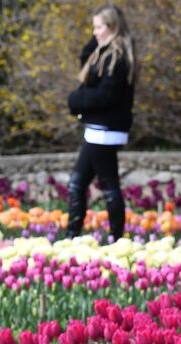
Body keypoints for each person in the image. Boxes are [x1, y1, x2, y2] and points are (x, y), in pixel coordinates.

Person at [66, 4, 136, 242]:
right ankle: (72, 235)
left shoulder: (116, 57)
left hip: (105, 130)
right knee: (77, 183)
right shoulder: (105, 52)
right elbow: (85, 56)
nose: (94, 32)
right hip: (98, 130)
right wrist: (98, 37)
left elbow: (107, 96)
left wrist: (76, 100)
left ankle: (116, 238)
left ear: (112, 28)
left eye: (98, 27)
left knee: (108, 185)